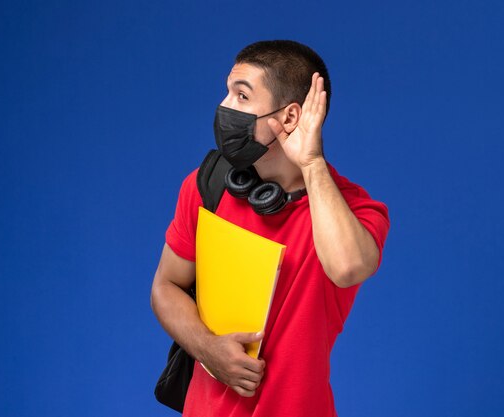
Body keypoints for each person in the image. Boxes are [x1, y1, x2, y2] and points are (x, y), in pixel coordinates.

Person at [150, 40, 390, 417]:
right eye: (227, 92)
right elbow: (166, 287)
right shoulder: (205, 184)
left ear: (290, 118)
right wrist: (206, 347)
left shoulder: (354, 209)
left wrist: (311, 162)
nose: (225, 107)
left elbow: (347, 268)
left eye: (242, 96)